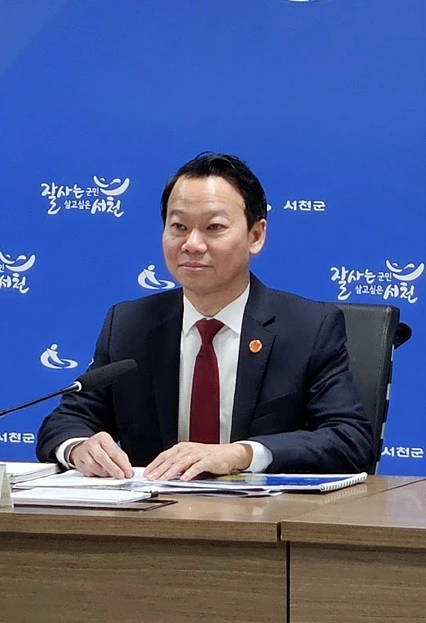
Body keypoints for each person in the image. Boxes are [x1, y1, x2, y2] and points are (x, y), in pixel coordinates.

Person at [37, 153, 374, 480]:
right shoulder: (129, 325)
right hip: (154, 512)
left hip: (266, 514)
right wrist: (79, 447)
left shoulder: (308, 328)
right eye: (179, 227)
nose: (192, 244)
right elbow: (65, 422)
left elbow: (350, 440)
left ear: (256, 235)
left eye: (214, 227)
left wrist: (241, 455)